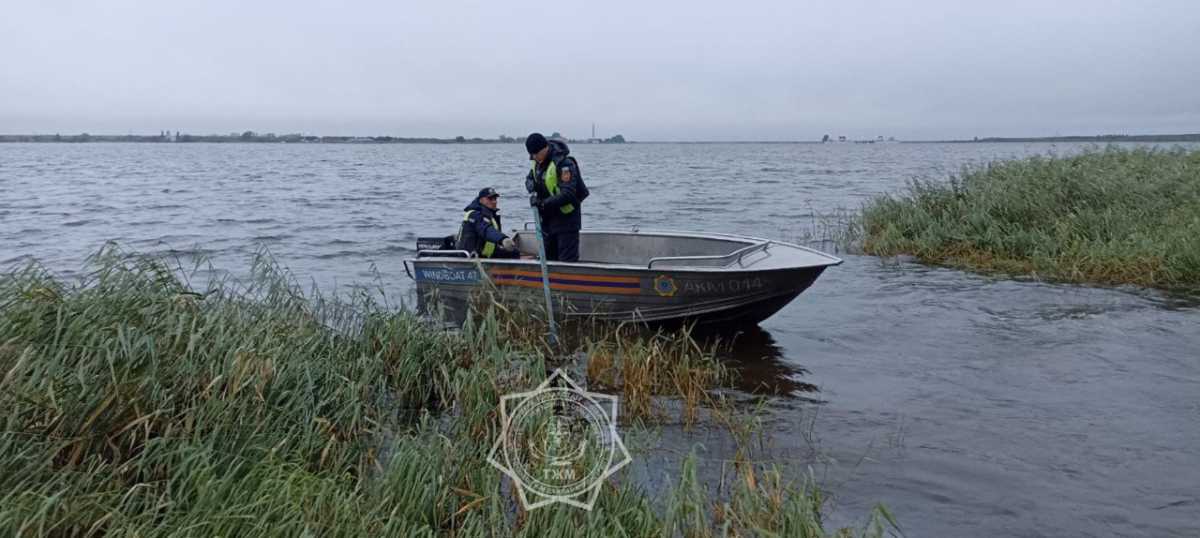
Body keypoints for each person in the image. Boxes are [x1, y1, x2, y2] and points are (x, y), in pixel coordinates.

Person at [524, 132, 589, 262]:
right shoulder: (537, 163)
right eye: (531, 154)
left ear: (545, 148)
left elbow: (568, 193)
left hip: (566, 221)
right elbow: (530, 178)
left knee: (566, 261)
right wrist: (530, 185)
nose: (534, 157)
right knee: (547, 259)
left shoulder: (565, 164)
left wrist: (543, 203)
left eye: (536, 154)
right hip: (548, 220)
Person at [456, 187, 519, 258]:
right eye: (490, 199)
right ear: (481, 200)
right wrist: (502, 239)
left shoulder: (490, 214)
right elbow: (486, 230)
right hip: (472, 256)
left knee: (514, 252)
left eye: (495, 199)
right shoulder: (474, 215)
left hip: (486, 253)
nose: (494, 201)